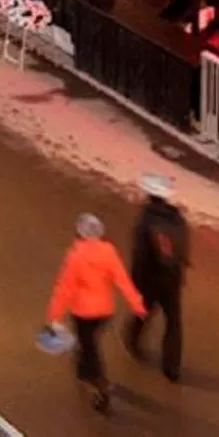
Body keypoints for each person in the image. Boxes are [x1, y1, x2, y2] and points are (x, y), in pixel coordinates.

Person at [45, 213, 145, 413]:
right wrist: (137, 305)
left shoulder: (75, 256)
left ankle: (101, 384)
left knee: (90, 348)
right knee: (89, 342)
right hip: (104, 312)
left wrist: (54, 316)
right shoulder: (109, 252)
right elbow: (122, 280)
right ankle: (84, 371)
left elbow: (64, 288)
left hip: (83, 313)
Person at [124, 174, 190, 382]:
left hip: (150, 279)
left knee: (143, 312)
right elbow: (183, 247)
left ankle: (132, 341)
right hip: (171, 278)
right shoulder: (177, 218)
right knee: (173, 323)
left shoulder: (144, 221)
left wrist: (135, 282)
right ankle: (172, 367)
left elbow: (140, 255)